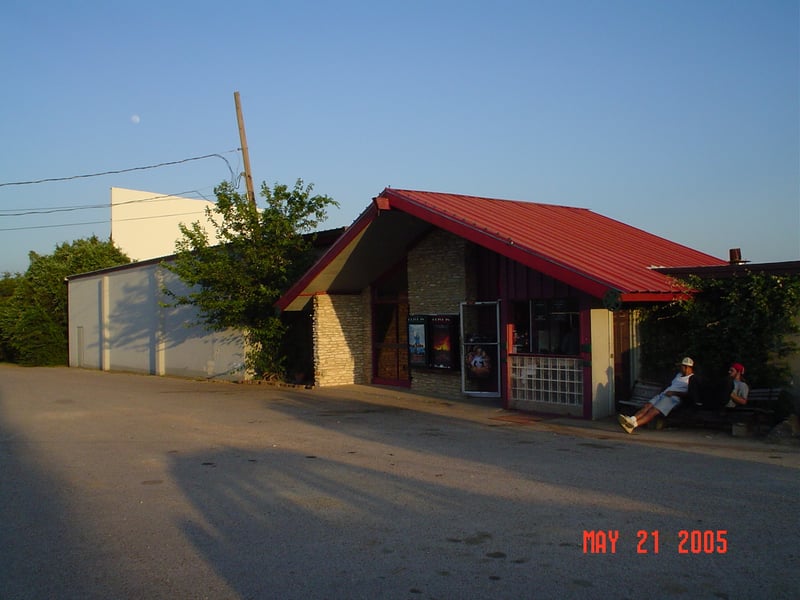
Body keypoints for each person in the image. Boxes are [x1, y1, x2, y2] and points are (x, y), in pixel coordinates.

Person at [618, 357, 695, 434]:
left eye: (681, 366)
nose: (680, 368)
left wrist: (674, 393)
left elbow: (689, 394)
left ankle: (633, 425)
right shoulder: (678, 375)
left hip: (673, 398)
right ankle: (631, 419)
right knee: (647, 406)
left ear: (687, 367)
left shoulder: (691, 379)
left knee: (653, 411)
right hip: (664, 394)